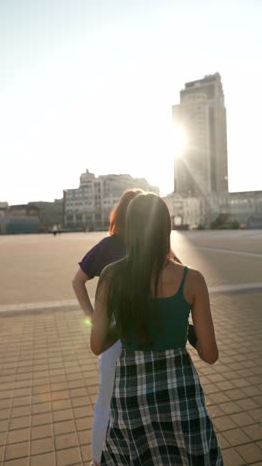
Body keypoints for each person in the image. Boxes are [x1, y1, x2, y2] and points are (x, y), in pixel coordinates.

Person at [91, 193, 223, 465]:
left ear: (130, 228)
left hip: (131, 394)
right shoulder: (192, 279)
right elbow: (210, 354)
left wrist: (124, 322)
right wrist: (188, 333)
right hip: (179, 394)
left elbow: (97, 345)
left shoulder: (110, 277)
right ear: (167, 228)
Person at [72, 188, 144, 466]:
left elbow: (77, 281)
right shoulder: (115, 245)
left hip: (123, 338)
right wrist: (93, 318)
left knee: (111, 400)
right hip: (125, 337)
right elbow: (77, 280)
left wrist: (94, 318)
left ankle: (106, 457)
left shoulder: (124, 245)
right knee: (116, 399)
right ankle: (102, 458)